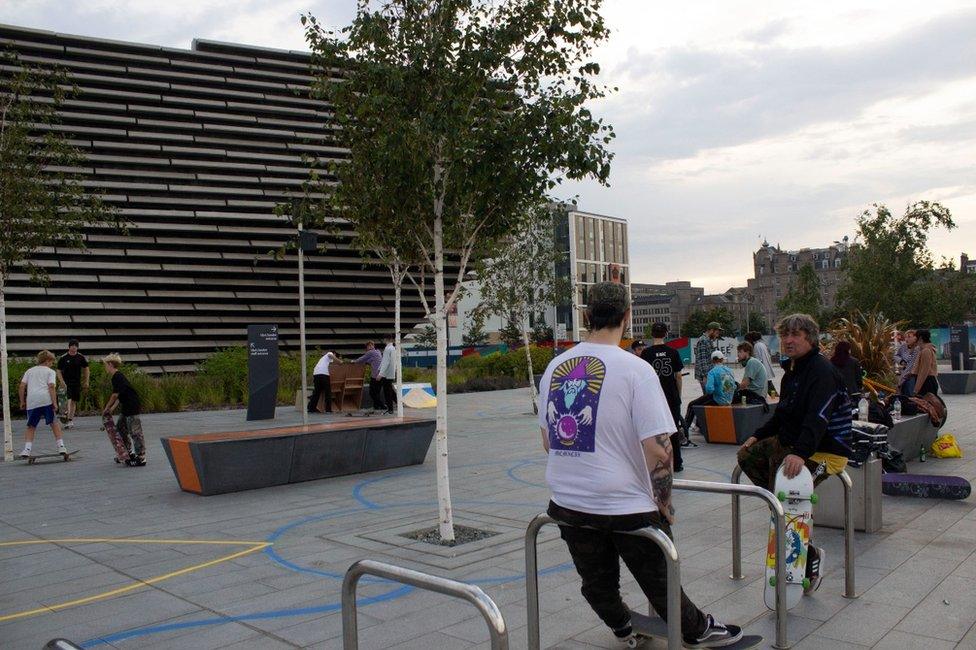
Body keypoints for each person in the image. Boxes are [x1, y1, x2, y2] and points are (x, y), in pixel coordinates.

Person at [538, 281, 742, 648]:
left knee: (596, 583)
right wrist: (663, 504)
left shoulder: (555, 368)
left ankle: (622, 627)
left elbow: (548, 441)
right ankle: (696, 630)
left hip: (567, 501)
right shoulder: (635, 369)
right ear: (627, 318)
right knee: (661, 580)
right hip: (625, 504)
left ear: (586, 316)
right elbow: (660, 448)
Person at [736, 314, 853, 595]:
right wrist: (757, 435)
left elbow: (818, 417)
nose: (789, 340)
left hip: (825, 449)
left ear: (810, 338)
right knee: (748, 457)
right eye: (785, 335)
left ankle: (807, 555)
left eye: (796, 335)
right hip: (794, 443)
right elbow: (783, 414)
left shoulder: (821, 372)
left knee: (786, 492)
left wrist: (801, 453)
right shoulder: (793, 372)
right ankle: (782, 513)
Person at [642, 323, 689, 471]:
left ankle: (657, 462)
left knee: (654, 430)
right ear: (666, 334)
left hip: (654, 397)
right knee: (673, 429)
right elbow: (678, 376)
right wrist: (678, 394)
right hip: (671, 396)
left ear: (652, 334)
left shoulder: (646, 353)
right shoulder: (673, 352)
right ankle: (677, 463)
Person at [18, 350, 69, 459]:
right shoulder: (50, 372)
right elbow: (51, 387)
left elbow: (22, 386)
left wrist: (22, 401)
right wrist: (55, 403)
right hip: (46, 399)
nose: (52, 364)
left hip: (32, 401)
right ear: (47, 361)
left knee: (31, 426)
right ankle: (61, 446)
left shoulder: (29, 371)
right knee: (54, 423)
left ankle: (27, 449)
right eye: (51, 362)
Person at [102, 353, 147, 466]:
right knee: (120, 428)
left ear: (111, 364)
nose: (105, 367)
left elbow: (114, 395)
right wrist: (111, 409)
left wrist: (106, 408)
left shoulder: (117, 376)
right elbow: (120, 395)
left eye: (106, 365)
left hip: (132, 405)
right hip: (126, 405)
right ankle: (128, 452)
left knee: (135, 431)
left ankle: (141, 457)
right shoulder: (116, 377)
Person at [683, 351, 736, 435]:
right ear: (722, 359)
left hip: (718, 399)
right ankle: (698, 425)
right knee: (702, 402)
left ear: (712, 361)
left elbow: (709, 389)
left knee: (692, 404)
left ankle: (684, 429)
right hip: (729, 399)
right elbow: (733, 385)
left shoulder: (712, 372)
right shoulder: (730, 370)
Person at [56, 339, 89, 429]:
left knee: (73, 401)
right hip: (66, 382)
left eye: (76, 346)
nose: (74, 347)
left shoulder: (80, 357)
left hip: (76, 382)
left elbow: (86, 368)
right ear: (69, 347)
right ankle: (64, 415)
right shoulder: (64, 357)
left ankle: (70, 420)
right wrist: (61, 381)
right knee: (67, 399)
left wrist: (86, 381)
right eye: (72, 345)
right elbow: (58, 370)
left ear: (77, 347)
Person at [906, 329, 939, 397]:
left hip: (926, 383)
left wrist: (916, 389)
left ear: (920, 338)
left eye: (915, 336)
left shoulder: (926, 351)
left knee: (926, 405)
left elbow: (924, 372)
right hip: (926, 382)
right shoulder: (923, 349)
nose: (914, 339)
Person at [353, 341, 385, 411]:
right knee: (376, 392)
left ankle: (382, 406)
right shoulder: (378, 352)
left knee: (372, 392)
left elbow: (362, 359)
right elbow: (369, 361)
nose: (367, 348)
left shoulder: (370, 352)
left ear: (370, 346)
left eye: (368, 346)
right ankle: (376, 406)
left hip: (376, 375)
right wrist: (366, 362)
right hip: (381, 374)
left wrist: (353, 361)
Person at [693, 322, 723, 393]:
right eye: (717, 332)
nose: (717, 334)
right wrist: (706, 377)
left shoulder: (708, 340)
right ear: (712, 330)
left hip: (709, 374)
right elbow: (702, 360)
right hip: (706, 376)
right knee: (708, 397)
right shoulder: (703, 340)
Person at [744, 331, 776, 397]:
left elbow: (758, 361)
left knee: (771, 392)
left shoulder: (756, 346)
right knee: (771, 391)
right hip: (766, 370)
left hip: (763, 373)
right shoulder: (762, 344)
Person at [378, 336, 398, 414]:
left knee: (387, 392)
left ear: (385, 339)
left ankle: (390, 409)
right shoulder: (393, 348)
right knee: (390, 390)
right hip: (391, 372)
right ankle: (398, 403)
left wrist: (380, 373)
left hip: (386, 373)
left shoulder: (387, 349)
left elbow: (385, 362)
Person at [896, 330, 918, 395]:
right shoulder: (903, 346)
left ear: (915, 338)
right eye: (905, 337)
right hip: (904, 375)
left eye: (909, 337)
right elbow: (896, 355)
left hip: (913, 376)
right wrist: (901, 361)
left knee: (911, 395)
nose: (906, 339)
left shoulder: (918, 349)